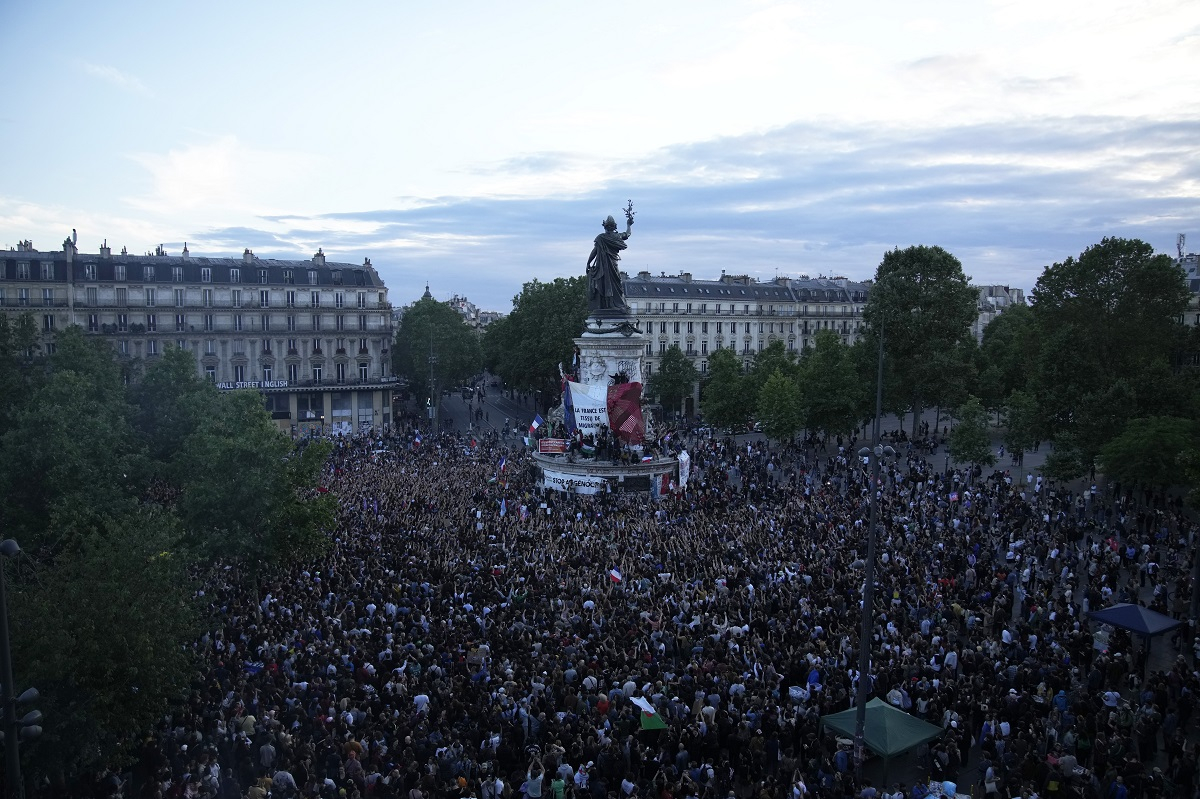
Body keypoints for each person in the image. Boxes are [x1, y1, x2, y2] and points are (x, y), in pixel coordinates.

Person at [586, 210, 633, 314]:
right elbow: (628, 234)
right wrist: (629, 224)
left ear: (605, 226)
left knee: (605, 284)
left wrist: (588, 263)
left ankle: (607, 304)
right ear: (614, 227)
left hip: (602, 266)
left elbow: (594, 251)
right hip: (612, 263)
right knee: (616, 284)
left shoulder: (601, 238)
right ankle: (616, 304)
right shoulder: (616, 237)